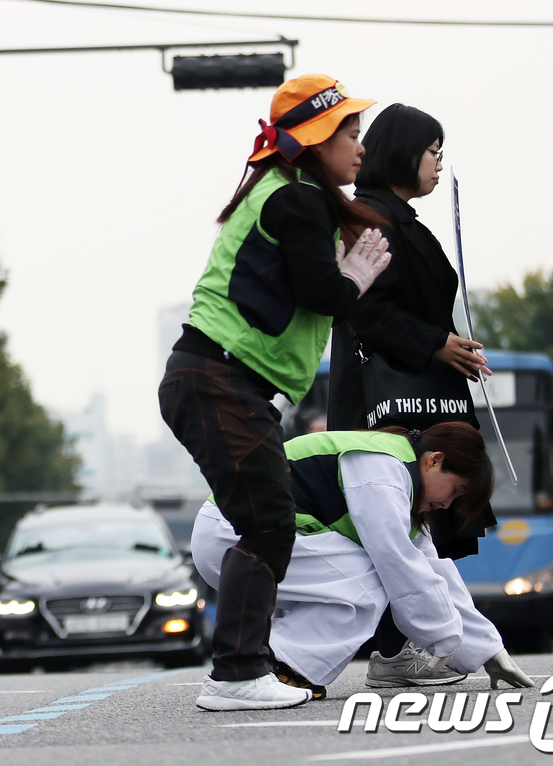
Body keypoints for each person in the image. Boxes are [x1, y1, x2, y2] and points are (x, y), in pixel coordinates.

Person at [157, 74, 392, 711]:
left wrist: (344, 276)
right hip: (220, 379)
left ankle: (250, 665)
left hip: (215, 381)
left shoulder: (289, 192)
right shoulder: (298, 199)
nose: (360, 147)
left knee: (265, 523)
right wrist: (355, 278)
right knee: (267, 526)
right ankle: (236, 676)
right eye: (350, 132)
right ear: (316, 139)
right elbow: (323, 294)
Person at [326, 104, 500, 684]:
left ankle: (405, 646)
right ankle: (397, 651)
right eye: (433, 151)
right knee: (402, 519)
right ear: (405, 151)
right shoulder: (372, 218)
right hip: (390, 403)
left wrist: (445, 347)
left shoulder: (394, 216)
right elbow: (366, 310)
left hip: (418, 396)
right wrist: (435, 344)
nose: (438, 164)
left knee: (419, 518)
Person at [190, 424, 535, 699]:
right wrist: (445, 636)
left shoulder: (400, 480)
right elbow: (397, 564)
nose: (447, 505)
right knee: (374, 575)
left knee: (373, 576)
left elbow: (433, 572)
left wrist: (490, 650)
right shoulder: (382, 467)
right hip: (230, 534)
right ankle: (278, 663)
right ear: (435, 460)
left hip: (243, 539)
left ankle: (278, 663)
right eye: (455, 491)